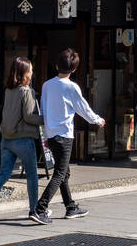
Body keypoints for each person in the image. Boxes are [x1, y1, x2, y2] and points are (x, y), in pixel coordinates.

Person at [36, 48, 105, 220]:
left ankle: (70, 207)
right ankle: (40, 208)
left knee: (63, 172)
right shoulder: (72, 87)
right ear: (74, 69)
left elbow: (44, 111)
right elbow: (83, 109)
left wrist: (46, 135)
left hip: (51, 134)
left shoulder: (46, 85)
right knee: (60, 173)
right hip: (64, 135)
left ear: (57, 65)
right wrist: (97, 120)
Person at [0, 57, 45, 225]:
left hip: (6, 140)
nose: (32, 72)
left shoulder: (9, 90)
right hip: (23, 140)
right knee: (32, 175)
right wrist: (46, 119)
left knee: (3, 174)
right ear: (24, 73)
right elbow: (29, 117)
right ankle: (34, 210)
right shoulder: (26, 91)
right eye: (30, 69)